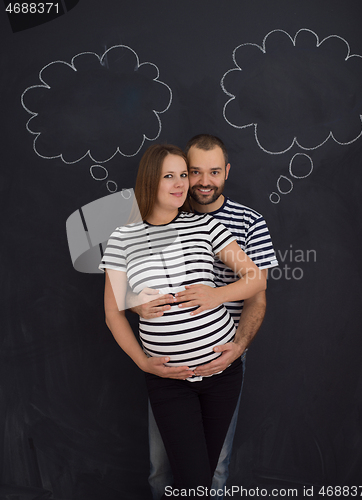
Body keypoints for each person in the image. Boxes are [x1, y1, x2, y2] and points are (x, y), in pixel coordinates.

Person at [99, 143, 267, 498]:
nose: (180, 184)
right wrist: (143, 361)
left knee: (206, 477)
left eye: (182, 175)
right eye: (169, 176)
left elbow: (256, 278)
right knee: (186, 480)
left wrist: (215, 295)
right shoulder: (122, 238)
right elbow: (113, 310)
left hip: (222, 373)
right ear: (150, 181)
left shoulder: (204, 225)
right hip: (169, 379)